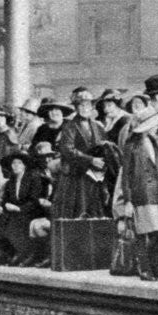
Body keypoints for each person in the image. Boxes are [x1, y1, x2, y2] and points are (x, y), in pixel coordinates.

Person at [114, 106, 158, 281]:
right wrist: (127, 200)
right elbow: (126, 174)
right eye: (154, 124)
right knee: (144, 232)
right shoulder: (132, 145)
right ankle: (145, 268)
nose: (157, 126)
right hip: (143, 193)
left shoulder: (155, 141)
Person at [55, 88, 109, 219]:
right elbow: (67, 149)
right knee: (78, 209)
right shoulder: (70, 126)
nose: (84, 108)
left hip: (95, 175)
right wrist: (90, 160)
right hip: (76, 176)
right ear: (76, 108)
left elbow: (104, 146)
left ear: (92, 107)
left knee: (95, 209)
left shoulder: (98, 126)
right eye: (81, 105)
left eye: (87, 105)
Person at [0, 152, 46, 266]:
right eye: (13, 163)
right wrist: (1, 207)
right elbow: (5, 199)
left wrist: (19, 208)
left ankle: (20, 252)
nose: (15, 165)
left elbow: (34, 201)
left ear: (24, 165)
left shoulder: (33, 179)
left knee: (15, 219)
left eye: (19, 163)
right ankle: (4, 250)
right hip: (13, 210)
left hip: (29, 211)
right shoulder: (11, 181)